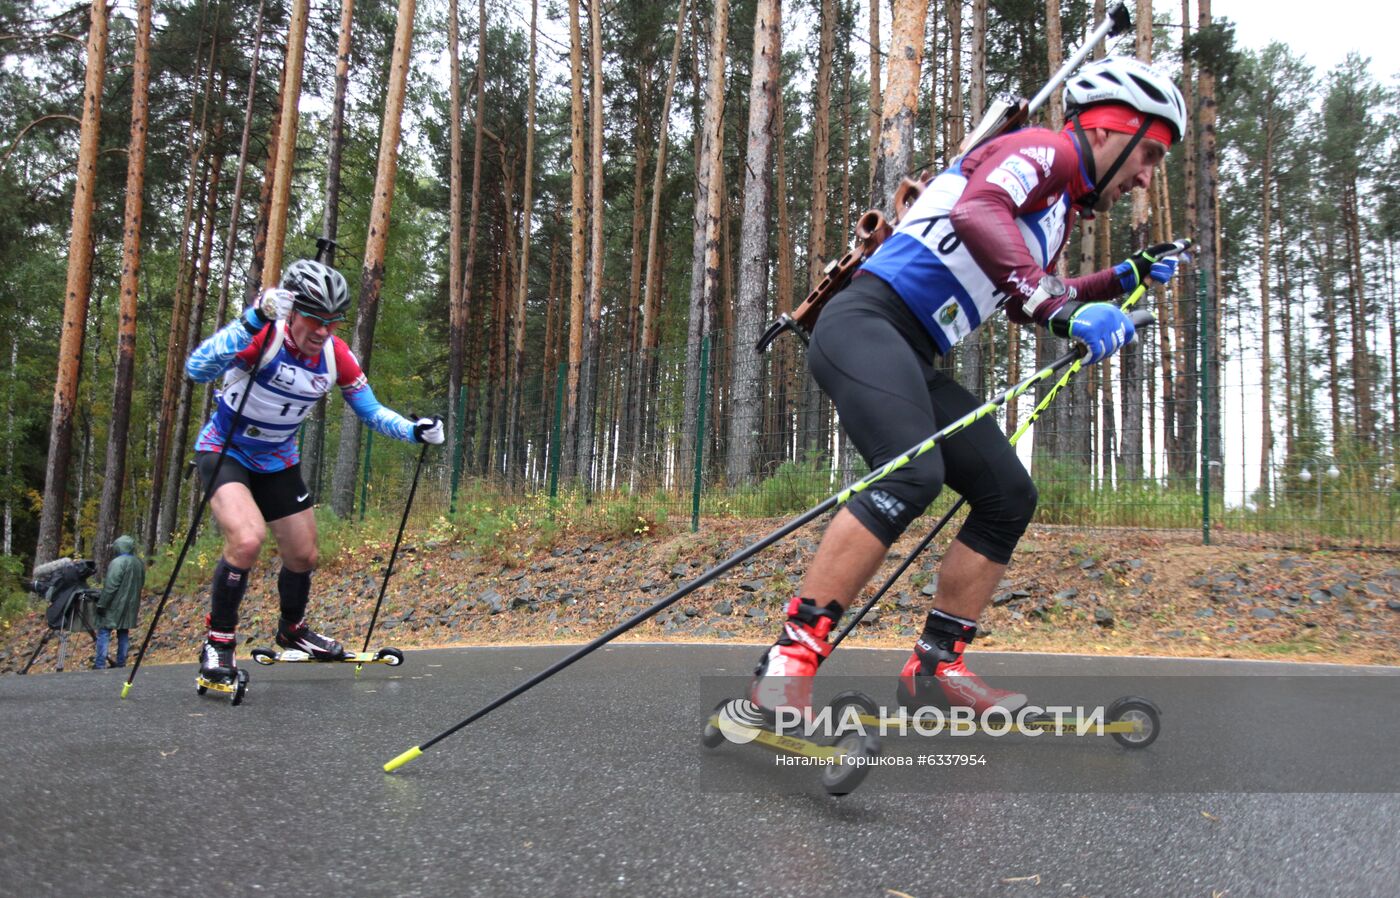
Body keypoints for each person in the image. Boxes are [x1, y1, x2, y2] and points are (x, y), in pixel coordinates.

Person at [750, 57, 1189, 716]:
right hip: (866, 323)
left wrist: (1123, 278)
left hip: (913, 352)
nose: (1147, 176)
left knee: (1008, 494)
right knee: (910, 474)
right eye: (1149, 152)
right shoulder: (1042, 151)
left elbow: (1027, 293)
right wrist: (1061, 310)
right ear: (1105, 131)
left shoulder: (1059, 211)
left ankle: (936, 665)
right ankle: (786, 663)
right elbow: (979, 212)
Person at [185, 259, 445, 687]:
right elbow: (197, 369)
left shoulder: (334, 355)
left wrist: (414, 431)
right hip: (226, 451)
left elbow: (372, 412)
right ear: (290, 310)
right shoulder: (260, 338)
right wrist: (254, 318)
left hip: (278, 461)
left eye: (332, 321)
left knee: (304, 555)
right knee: (247, 540)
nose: (323, 330)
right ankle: (218, 642)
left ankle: (292, 629)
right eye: (314, 319)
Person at [94, 535, 144, 669]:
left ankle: (100, 664)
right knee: (123, 632)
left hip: (114, 605)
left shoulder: (117, 563)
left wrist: (102, 604)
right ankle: (121, 662)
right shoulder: (139, 563)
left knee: (104, 631)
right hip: (131, 604)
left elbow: (111, 586)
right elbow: (141, 583)